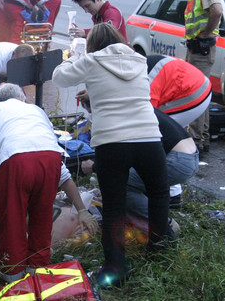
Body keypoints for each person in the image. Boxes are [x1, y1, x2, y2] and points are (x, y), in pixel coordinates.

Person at [52, 22, 173, 289]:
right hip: (148, 138)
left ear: (94, 44)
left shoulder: (92, 60)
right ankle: (160, 249)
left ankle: (117, 268)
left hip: (112, 142)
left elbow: (60, 77)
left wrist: (74, 56)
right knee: (159, 194)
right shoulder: (139, 60)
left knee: (114, 207)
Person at [0, 83, 64, 282]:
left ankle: (14, 286)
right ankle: (39, 282)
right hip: (52, 159)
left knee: (12, 226)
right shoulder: (36, 110)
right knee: (42, 225)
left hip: (15, 161)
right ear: (22, 98)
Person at [82, 108, 199, 213]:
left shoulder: (121, 116)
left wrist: (94, 167)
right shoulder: (138, 107)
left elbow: (120, 157)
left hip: (177, 161)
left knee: (122, 184)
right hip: (190, 156)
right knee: (133, 179)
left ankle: (161, 224)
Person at [175, 0, 223, 154]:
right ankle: (201, 138)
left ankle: (196, 139)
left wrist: (204, 35)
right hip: (196, 48)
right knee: (199, 93)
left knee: (196, 94)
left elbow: (217, 11)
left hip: (202, 48)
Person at [146, 54, 212, 128]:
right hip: (198, 82)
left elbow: (148, 115)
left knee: (156, 126)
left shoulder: (147, 80)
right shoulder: (145, 64)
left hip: (194, 91)